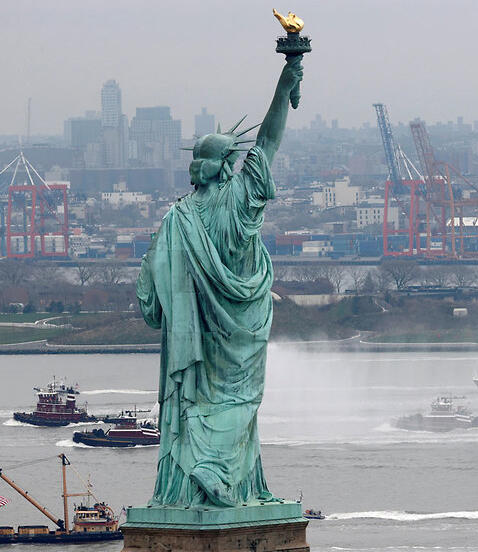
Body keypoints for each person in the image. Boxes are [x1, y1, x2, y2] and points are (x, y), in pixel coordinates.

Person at [136, 56, 303, 508]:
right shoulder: (239, 201)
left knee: (198, 400)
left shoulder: (176, 219)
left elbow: (150, 298)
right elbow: (268, 141)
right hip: (241, 326)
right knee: (241, 400)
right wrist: (285, 84)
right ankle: (221, 476)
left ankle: (193, 482)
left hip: (198, 336)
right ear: (230, 165)